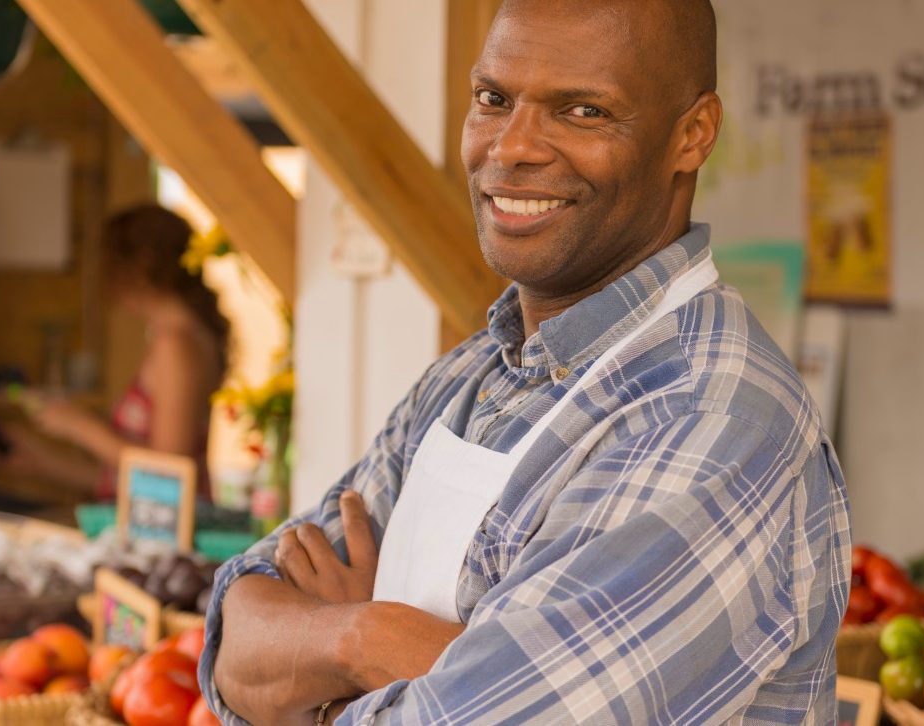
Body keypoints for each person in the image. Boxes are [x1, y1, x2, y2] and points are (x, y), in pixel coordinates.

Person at [201, 0, 851, 723]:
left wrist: (316, 680)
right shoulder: (467, 378)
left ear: (692, 135)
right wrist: (365, 637)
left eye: (582, 111)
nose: (512, 148)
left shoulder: (710, 416)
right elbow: (235, 635)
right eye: (492, 99)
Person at [0, 205, 227, 501]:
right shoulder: (177, 338)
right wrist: (43, 461)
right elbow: (129, 478)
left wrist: (78, 425)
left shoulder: (176, 344)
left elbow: (168, 473)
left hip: (164, 532)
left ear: (137, 268)